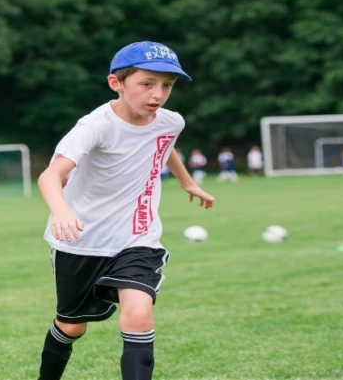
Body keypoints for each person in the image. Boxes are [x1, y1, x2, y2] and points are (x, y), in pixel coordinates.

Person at [35, 41, 215, 380]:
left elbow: (165, 146)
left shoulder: (170, 121)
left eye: (167, 85)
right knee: (72, 327)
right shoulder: (95, 126)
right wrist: (61, 211)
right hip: (81, 241)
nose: (158, 94)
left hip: (137, 238)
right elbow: (50, 176)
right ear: (116, 83)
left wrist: (187, 182)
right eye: (147, 84)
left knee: (139, 315)